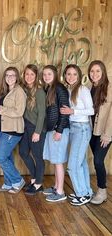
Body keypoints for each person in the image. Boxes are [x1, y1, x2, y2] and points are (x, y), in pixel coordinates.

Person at [60, 64, 94, 206]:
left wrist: (73, 112)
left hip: (82, 129)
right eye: (68, 74)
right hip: (73, 129)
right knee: (81, 163)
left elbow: (91, 110)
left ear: (79, 76)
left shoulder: (83, 89)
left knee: (73, 165)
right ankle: (86, 192)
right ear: (65, 76)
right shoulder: (69, 90)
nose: (71, 76)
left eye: (74, 74)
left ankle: (81, 194)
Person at [0, 67, 26, 193]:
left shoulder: (19, 91)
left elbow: (19, 111)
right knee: (7, 157)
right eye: (7, 75)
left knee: (0, 158)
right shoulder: (6, 91)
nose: (9, 77)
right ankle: (8, 183)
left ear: (17, 77)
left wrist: (3, 110)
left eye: (12, 75)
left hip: (12, 131)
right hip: (3, 130)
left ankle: (17, 180)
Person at [42, 65, 70, 202]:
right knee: (55, 160)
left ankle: (60, 192)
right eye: (44, 74)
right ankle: (56, 186)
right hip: (51, 129)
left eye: (49, 74)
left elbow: (65, 112)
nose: (46, 76)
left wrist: (59, 130)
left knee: (58, 161)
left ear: (55, 74)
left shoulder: (60, 88)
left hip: (59, 130)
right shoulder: (49, 88)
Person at [19, 64, 46, 195]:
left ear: (36, 77)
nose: (29, 77)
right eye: (27, 74)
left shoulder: (39, 91)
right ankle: (35, 178)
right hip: (26, 126)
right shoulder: (24, 90)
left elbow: (42, 114)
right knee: (23, 152)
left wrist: (37, 132)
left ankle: (39, 184)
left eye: (32, 74)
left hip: (36, 127)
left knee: (37, 156)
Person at [88, 60, 112, 204]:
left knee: (98, 160)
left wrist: (107, 135)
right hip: (92, 131)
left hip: (104, 132)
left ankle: (102, 191)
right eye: (92, 71)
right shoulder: (91, 87)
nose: (94, 74)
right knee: (97, 161)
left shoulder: (109, 88)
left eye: (97, 71)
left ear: (102, 72)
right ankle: (100, 188)